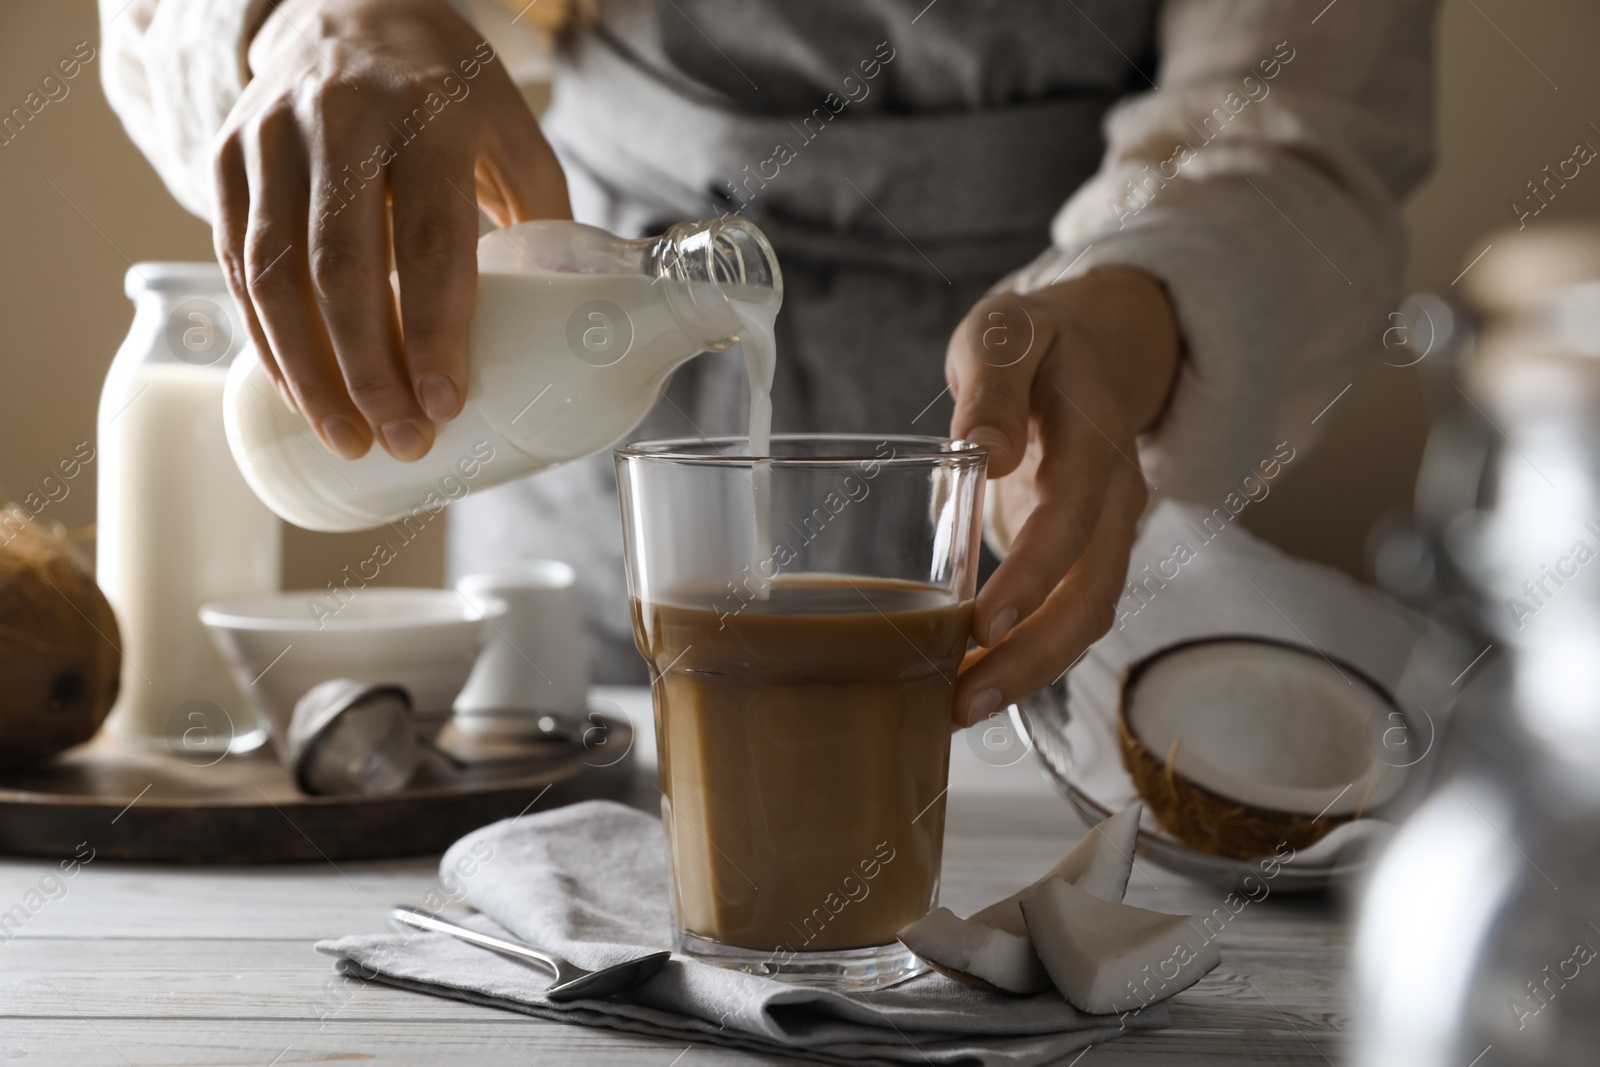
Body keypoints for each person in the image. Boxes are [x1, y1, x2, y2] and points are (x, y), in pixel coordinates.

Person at [102, 0, 1436, 727]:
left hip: (1045, 418)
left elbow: (1300, 121)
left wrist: (1137, 313)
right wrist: (305, 14)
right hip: (586, 345)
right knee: (584, 874)